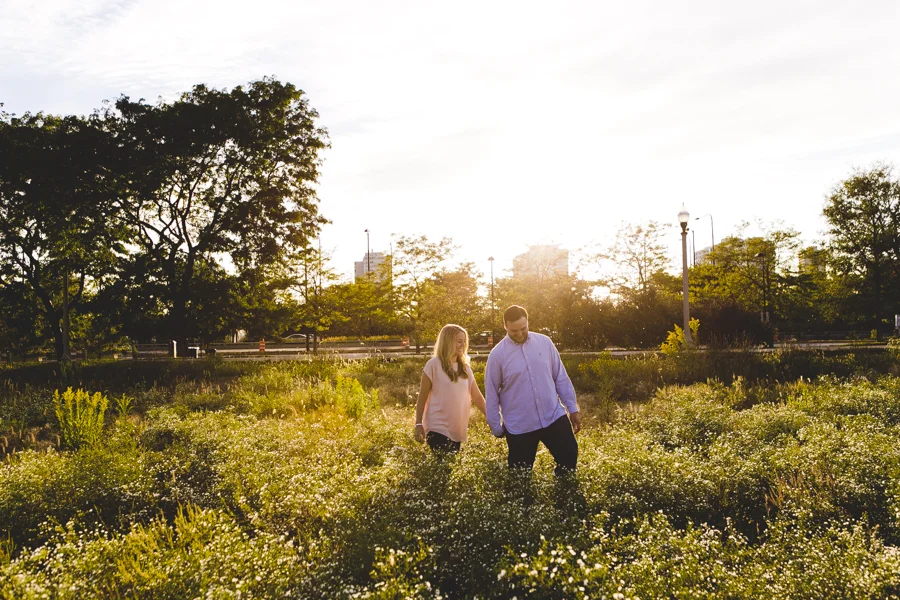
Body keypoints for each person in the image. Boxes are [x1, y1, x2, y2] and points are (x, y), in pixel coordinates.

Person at [485, 305, 581, 475]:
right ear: (505, 326)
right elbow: (491, 393)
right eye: (514, 331)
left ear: (528, 322)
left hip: (552, 415)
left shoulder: (545, 343)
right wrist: (495, 426)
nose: (520, 334)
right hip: (520, 424)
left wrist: (572, 409)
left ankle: (562, 494)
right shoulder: (497, 355)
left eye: (523, 328)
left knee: (569, 456)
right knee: (520, 475)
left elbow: (560, 377)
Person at [414, 324, 487, 454]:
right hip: (437, 427)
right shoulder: (433, 365)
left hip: (457, 429)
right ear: (448, 342)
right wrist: (418, 423)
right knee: (443, 465)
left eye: (464, 341)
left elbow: (476, 396)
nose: (463, 345)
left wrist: (493, 418)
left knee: (448, 470)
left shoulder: (465, 368)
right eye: (459, 341)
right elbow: (422, 396)